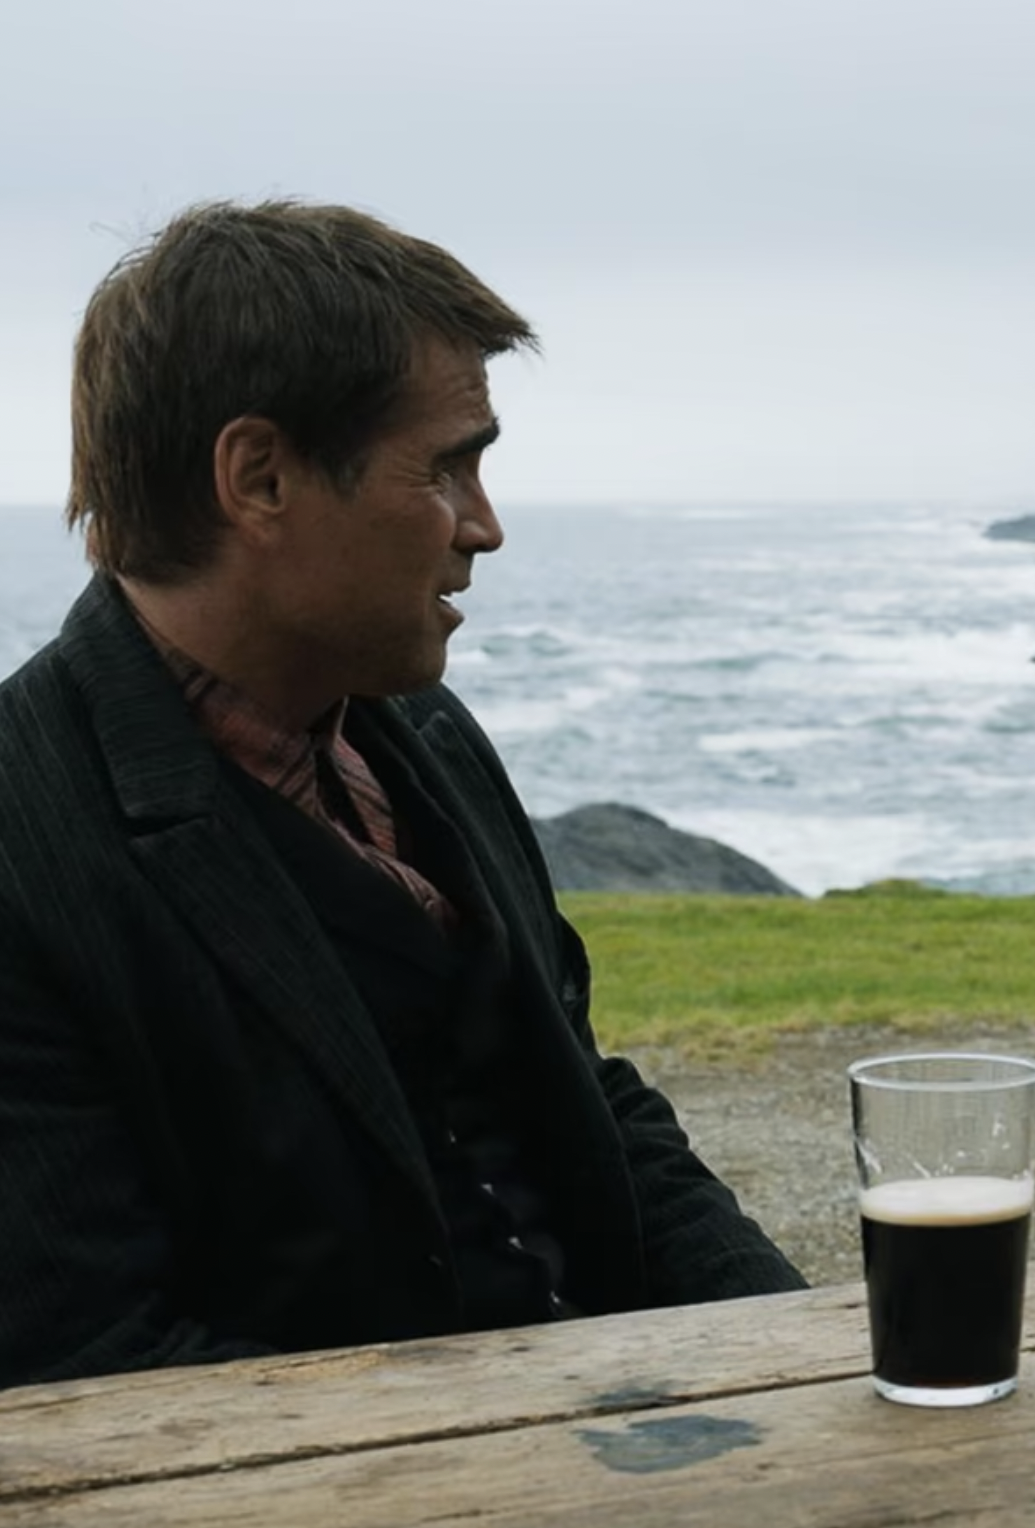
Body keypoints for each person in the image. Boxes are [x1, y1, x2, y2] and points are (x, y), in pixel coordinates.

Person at [0, 199, 806, 1389]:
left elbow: (585, 1100)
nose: (483, 527)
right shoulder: (25, 842)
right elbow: (94, 1365)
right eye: (445, 466)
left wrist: (803, 1358)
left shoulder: (422, 732)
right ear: (259, 476)